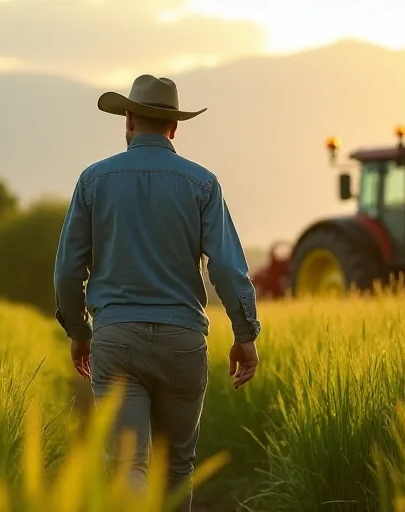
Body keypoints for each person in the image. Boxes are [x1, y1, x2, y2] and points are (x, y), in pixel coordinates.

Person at [53, 74, 261, 510]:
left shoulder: (93, 180)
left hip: (116, 338)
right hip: (182, 343)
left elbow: (69, 270)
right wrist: (245, 336)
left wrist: (78, 331)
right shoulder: (203, 183)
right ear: (174, 127)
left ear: (128, 120)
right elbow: (226, 266)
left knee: (129, 466)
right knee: (178, 469)